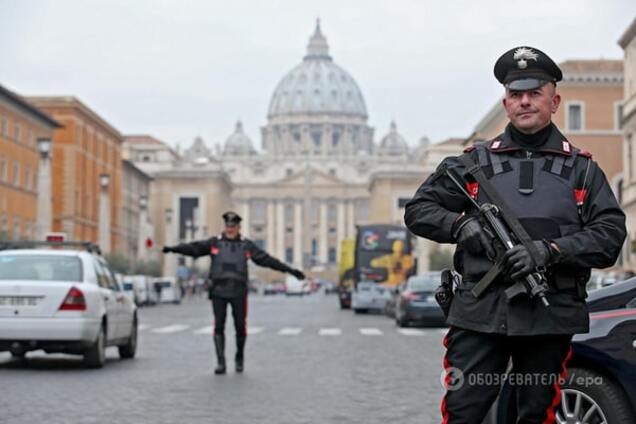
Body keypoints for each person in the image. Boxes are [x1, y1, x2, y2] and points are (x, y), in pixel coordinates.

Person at [404, 46, 626, 423]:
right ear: (506, 103)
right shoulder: (471, 164)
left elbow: (609, 235)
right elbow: (418, 210)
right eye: (515, 95)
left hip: (548, 314)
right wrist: (461, 226)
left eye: (534, 93)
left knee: (535, 415)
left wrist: (550, 251)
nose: (524, 102)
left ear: (554, 102)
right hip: (480, 313)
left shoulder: (582, 171)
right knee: (464, 413)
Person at [162, 211, 305, 374]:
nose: (230, 229)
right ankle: (221, 362)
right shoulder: (214, 242)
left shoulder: (246, 245)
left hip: (238, 291)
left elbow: (267, 260)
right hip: (218, 291)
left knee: (240, 327)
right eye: (228, 226)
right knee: (219, 326)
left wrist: (290, 270)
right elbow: (194, 248)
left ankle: (239, 357)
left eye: (233, 226)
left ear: (239, 227)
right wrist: (173, 249)